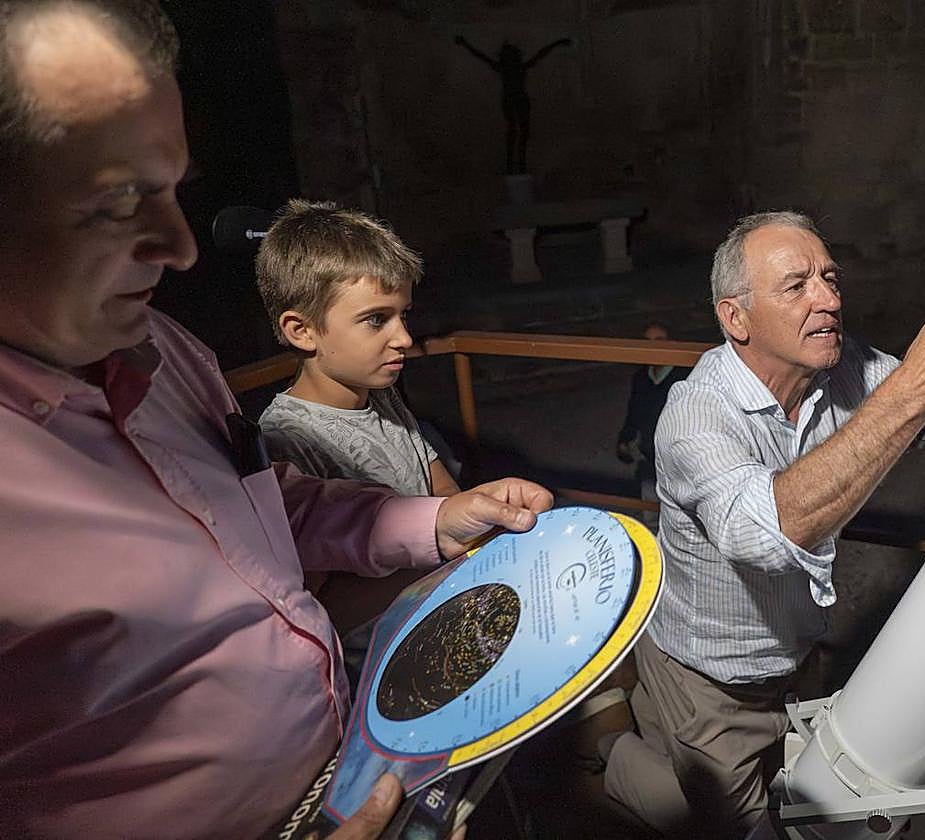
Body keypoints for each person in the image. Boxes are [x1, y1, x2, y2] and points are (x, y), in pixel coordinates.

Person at [0, 3, 551, 838]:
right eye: (119, 201)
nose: (182, 246)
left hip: (352, 766)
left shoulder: (166, 351)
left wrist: (438, 518)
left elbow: (257, 510)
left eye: (174, 189)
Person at [601, 211, 925, 837]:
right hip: (707, 680)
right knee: (728, 827)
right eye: (796, 285)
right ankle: (613, 748)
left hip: (796, 661)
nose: (829, 299)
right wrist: (914, 384)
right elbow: (767, 533)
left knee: (796, 796)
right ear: (736, 317)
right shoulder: (695, 413)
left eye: (830, 278)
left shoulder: (848, 368)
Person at [255, 198, 459, 498]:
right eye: (376, 319)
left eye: (403, 314)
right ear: (302, 331)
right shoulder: (285, 440)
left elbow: (439, 486)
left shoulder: (379, 391)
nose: (404, 339)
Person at [453, 34, 571, 174]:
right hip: (516, 99)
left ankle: (516, 163)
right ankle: (516, 163)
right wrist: (557, 42)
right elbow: (541, 54)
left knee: (517, 130)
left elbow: (481, 56)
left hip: (514, 99)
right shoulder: (518, 68)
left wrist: (557, 42)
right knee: (517, 131)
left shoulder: (510, 68)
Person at [616, 322, 687, 527]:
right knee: (651, 517)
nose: (652, 347)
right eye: (647, 342)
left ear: (672, 343)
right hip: (649, 458)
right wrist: (625, 437)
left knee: (681, 519)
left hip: (680, 460)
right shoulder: (642, 377)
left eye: (659, 341)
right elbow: (634, 410)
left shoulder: (686, 377)